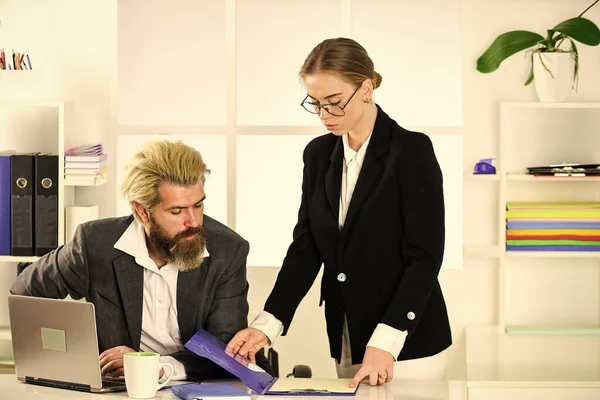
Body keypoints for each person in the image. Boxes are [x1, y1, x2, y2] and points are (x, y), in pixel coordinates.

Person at [226, 37, 451, 387]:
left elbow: (425, 256)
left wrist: (386, 340)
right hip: (347, 334)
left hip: (408, 341)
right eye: (315, 104)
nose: (324, 115)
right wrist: (266, 325)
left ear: (365, 88)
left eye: (333, 102)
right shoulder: (317, 155)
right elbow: (306, 247)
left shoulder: (411, 151)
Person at [10, 140, 270, 381]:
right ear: (142, 211)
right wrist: (81, 355)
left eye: (198, 205)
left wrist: (153, 366)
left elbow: (225, 350)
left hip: (197, 386)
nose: (193, 221)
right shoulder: (95, 243)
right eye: (177, 211)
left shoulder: (228, 250)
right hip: (120, 391)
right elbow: (25, 293)